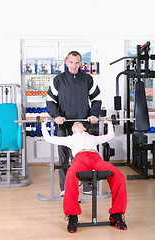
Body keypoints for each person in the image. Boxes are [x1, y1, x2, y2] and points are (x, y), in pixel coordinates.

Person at [42, 118, 127, 233]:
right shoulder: (69, 139)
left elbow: (109, 136)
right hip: (80, 160)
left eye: (79, 123)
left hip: (96, 159)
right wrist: (43, 124)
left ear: (85, 128)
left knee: (119, 176)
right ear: (72, 130)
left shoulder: (92, 137)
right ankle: (72, 216)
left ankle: (116, 214)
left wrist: (109, 123)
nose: (76, 124)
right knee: (70, 177)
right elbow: (48, 138)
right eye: (74, 125)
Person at [46, 51, 102, 196]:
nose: (74, 65)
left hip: (83, 125)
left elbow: (96, 99)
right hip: (64, 123)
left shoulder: (87, 79)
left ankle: (88, 187)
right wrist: (56, 116)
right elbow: (50, 101)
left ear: (81, 63)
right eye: (71, 62)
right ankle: (66, 188)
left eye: (77, 63)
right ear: (66, 61)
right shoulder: (58, 79)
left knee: (84, 156)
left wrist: (94, 114)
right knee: (64, 157)